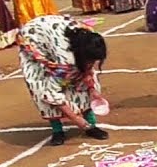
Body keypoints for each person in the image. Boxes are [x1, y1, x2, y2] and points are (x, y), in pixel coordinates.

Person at [16, 15, 110, 146]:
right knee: (42, 87)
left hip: (54, 36)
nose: (92, 63)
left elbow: (87, 72)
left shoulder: (89, 37)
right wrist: (76, 119)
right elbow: (52, 92)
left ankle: (91, 125)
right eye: (90, 60)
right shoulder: (66, 61)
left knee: (82, 80)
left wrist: (93, 90)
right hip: (33, 40)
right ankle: (57, 130)